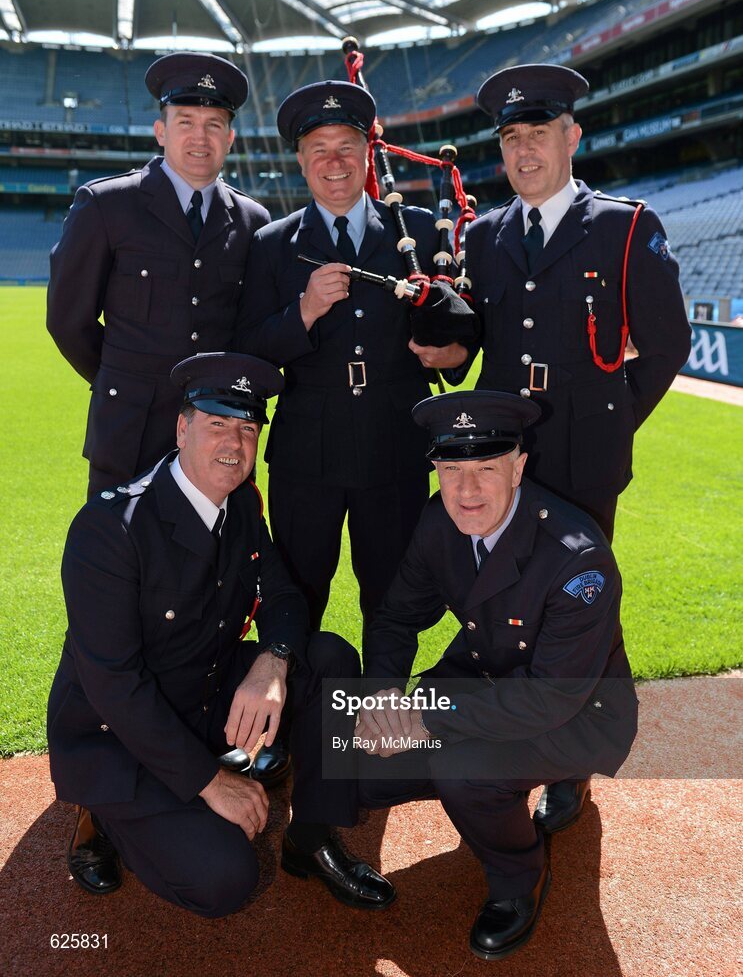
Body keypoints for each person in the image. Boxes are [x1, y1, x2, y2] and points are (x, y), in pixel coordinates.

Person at [428, 63, 690, 830]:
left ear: (571, 136)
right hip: (506, 464)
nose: (524, 150)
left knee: (579, 609)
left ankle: (570, 763)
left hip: (582, 463)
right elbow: (472, 344)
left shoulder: (623, 225)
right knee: (512, 606)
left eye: (538, 133)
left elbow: (666, 344)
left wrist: (608, 422)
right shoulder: (483, 236)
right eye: (511, 137)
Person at [47, 352, 395, 917]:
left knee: (329, 658)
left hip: (204, 695)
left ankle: (311, 835)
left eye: (247, 428)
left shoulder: (240, 508)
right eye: (216, 424)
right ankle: (104, 812)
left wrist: (274, 661)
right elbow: (115, 686)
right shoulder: (109, 529)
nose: (233, 443)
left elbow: (282, 595)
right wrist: (211, 782)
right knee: (225, 880)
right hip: (123, 735)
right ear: (181, 428)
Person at [355, 390, 638, 960]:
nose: (467, 490)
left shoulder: (576, 556)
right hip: (486, 676)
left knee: (463, 770)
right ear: (435, 468)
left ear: (519, 466)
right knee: (359, 762)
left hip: (577, 710)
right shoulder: (439, 520)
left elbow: (549, 700)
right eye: (451, 468)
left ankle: (519, 876)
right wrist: (384, 694)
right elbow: (397, 616)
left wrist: (425, 717)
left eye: (486, 468)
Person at [236, 80, 461, 783]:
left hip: (394, 446)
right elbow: (249, 351)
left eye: (346, 148)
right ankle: (293, 723)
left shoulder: (416, 231)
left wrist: (453, 353)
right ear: (300, 162)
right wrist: (301, 312)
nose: (333, 162)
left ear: (367, 155)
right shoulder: (273, 244)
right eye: (317, 150)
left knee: (388, 594)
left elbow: (458, 332)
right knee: (298, 588)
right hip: (307, 450)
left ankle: (375, 720)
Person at [47, 52, 270, 499]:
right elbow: (68, 321)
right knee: (118, 558)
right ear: (161, 131)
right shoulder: (106, 204)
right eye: (185, 122)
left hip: (216, 432)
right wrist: (121, 380)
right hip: (128, 427)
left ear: (230, 137)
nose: (199, 138)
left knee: (212, 560)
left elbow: (250, 328)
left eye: (213, 124)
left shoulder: (253, 220)